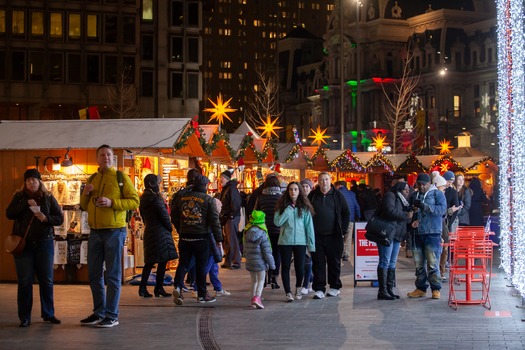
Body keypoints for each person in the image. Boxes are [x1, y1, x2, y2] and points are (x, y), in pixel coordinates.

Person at [80, 144, 140, 328]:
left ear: (112, 158)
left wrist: (112, 202)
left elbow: (134, 201)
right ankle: (99, 312)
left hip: (115, 231)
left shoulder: (121, 178)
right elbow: (83, 205)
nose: (105, 157)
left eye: (108, 155)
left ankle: (112, 315)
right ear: (97, 159)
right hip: (95, 232)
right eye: (102, 155)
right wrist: (86, 193)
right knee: (94, 274)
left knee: (113, 275)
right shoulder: (92, 178)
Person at [6, 169, 64, 328]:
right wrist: (25, 204)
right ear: (24, 183)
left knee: (46, 280)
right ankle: (24, 317)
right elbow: (9, 214)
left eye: (34, 180)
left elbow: (59, 218)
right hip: (24, 245)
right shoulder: (19, 197)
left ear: (40, 182)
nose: (31, 182)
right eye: (28, 180)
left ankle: (48, 313)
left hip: (44, 243)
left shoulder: (48, 197)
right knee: (25, 281)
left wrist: (45, 218)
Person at [172, 174, 223, 305]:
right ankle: (202, 294)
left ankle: (178, 286)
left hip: (185, 236)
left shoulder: (182, 198)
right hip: (201, 237)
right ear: (205, 186)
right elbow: (214, 221)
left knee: (183, 262)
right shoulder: (208, 200)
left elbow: (174, 216)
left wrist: (180, 229)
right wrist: (219, 239)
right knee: (201, 265)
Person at [308, 172, 350, 299]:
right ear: (318, 181)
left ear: (330, 180)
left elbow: (346, 212)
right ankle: (319, 288)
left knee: (334, 262)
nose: (324, 182)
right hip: (317, 235)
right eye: (321, 180)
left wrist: (343, 230)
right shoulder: (313, 195)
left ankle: (335, 286)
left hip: (334, 236)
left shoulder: (337, 195)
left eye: (326, 179)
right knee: (318, 263)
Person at [407, 173, 446, 300]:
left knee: (432, 262)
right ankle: (421, 288)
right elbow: (409, 211)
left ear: (430, 183)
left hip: (432, 232)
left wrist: (426, 207)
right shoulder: (414, 195)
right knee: (418, 263)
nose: (422, 186)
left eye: (424, 184)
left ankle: (436, 289)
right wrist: (412, 216)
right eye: (420, 184)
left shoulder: (437, 194)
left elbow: (442, 210)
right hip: (417, 233)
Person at [138, 174, 178, 298]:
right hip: (160, 232)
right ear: (152, 184)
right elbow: (164, 215)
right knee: (162, 260)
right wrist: (170, 227)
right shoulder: (156, 198)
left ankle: (143, 287)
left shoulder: (144, 198)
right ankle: (158, 287)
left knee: (150, 261)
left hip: (150, 229)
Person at [274, 182, 316, 302]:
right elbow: (277, 222)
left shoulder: (304, 207)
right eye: (291, 189)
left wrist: (311, 245)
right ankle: (288, 292)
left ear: (299, 191)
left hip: (300, 241)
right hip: (285, 241)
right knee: (285, 266)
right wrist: (288, 210)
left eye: (296, 189)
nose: (293, 192)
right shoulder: (282, 206)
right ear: (287, 191)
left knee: (300, 267)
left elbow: (309, 227)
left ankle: (298, 288)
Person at [375, 181, 413, 300]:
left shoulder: (404, 201)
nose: (407, 192)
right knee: (385, 261)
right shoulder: (390, 195)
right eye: (405, 189)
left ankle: (390, 289)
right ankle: (383, 291)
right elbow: (389, 210)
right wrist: (405, 215)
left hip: (397, 235)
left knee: (392, 262)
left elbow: (403, 220)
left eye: (408, 189)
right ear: (399, 189)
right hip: (387, 234)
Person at [170, 168, 201, 293]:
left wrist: (179, 227)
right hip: (196, 230)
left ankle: (190, 281)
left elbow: (174, 213)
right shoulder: (197, 194)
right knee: (193, 258)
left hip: (183, 229)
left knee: (186, 257)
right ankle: (182, 281)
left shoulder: (180, 194)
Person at [253, 175, 282, 289]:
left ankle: (264, 277)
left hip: (263, 230)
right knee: (276, 254)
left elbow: (255, 213)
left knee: (264, 253)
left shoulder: (261, 198)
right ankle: (274, 277)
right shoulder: (281, 198)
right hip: (277, 229)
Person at [243, 210, 276, 309]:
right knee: (261, 280)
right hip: (260, 262)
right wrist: (272, 265)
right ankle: (257, 297)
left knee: (254, 281)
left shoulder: (247, 231)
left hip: (250, 261)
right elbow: (267, 251)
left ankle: (252, 299)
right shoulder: (262, 233)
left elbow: (244, 248)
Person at [219, 169, 242, 269]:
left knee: (232, 239)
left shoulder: (231, 188)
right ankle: (228, 260)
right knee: (227, 240)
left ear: (225, 178)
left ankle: (236, 261)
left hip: (230, 217)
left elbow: (236, 203)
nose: (220, 180)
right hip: (227, 217)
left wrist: (232, 215)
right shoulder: (227, 189)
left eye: (221, 178)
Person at [334, 180, 360, 262]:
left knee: (339, 237)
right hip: (350, 219)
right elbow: (356, 206)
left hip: (339, 219)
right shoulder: (352, 194)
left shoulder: (336, 193)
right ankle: (346, 255)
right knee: (348, 238)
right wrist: (359, 217)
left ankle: (339, 253)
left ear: (338, 186)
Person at [299, 178, 315, 294]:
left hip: (313, 233)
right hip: (301, 233)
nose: (305, 188)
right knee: (305, 259)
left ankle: (307, 282)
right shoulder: (298, 201)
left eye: (307, 186)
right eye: (303, 186)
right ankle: (309, 281)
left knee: (309, 258)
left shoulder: (314, 199)